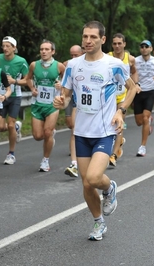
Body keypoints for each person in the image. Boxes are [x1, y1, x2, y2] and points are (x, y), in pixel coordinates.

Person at [53, 21, 137, 241]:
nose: (88, 41)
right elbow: (67, 96)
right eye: (85, 37)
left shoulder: (114, 64)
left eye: (92, 37)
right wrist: (61, 101)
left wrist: (120, 111)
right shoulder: (73, 65)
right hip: (81, 132)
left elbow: (133, 88)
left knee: (93, 177)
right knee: (86, 183)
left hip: (104, 130)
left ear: (103, 39)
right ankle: (98, 222)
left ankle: (109, 188)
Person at [26, 40, 65, 172]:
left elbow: (67, 82)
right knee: (38, 136)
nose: (43, 51)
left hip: (52, 104)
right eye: (42, 49)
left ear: (52, 51)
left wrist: (61, 86)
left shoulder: (59, 66)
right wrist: (32, 88)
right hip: (37, 103)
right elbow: (28, 78)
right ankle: (50, 136)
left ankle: (45, 160)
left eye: (47, 49)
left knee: (47, 132)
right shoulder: (34, 65)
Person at [108, 33, 139, 166]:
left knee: (119, 123)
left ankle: (113, 155)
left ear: (124, 44)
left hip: (123, 95)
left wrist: (136, 84)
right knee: (108, 123)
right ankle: (118, 142)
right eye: (114, 43)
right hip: (109, 95)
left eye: (119, 43)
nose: (117, 46)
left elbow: (134, 71)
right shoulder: (106, 57)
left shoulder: (130, 58)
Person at [0, 36, 29, 165]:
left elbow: (27, 80)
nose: (5, 48)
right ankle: (17, 127)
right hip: (1, 96)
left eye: (8, 46)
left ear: (14, 48)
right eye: (3, 46)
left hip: (15, 96)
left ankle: (11, 154)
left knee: (10, 124)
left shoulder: (21, 61)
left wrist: (14, 81)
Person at [134, 40, 154, 156]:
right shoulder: (135, 61)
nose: (144, 48)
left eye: (146, 46)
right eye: (142, 47)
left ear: (151, 49)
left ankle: (142, 147)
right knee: (139, 122)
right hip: (138, 92)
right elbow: (131, 73)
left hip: (150, 91)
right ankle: (148, 124)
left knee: (145, 118)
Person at [63, 45, 84, 177]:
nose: (73, 57)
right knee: (73, 129)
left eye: (76, 55)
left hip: (88, 104)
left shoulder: (92, 64)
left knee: (76, 130)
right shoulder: (68, 64)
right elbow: (63, 81)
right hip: (73, 100)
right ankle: (74, 164)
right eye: (71, 55)